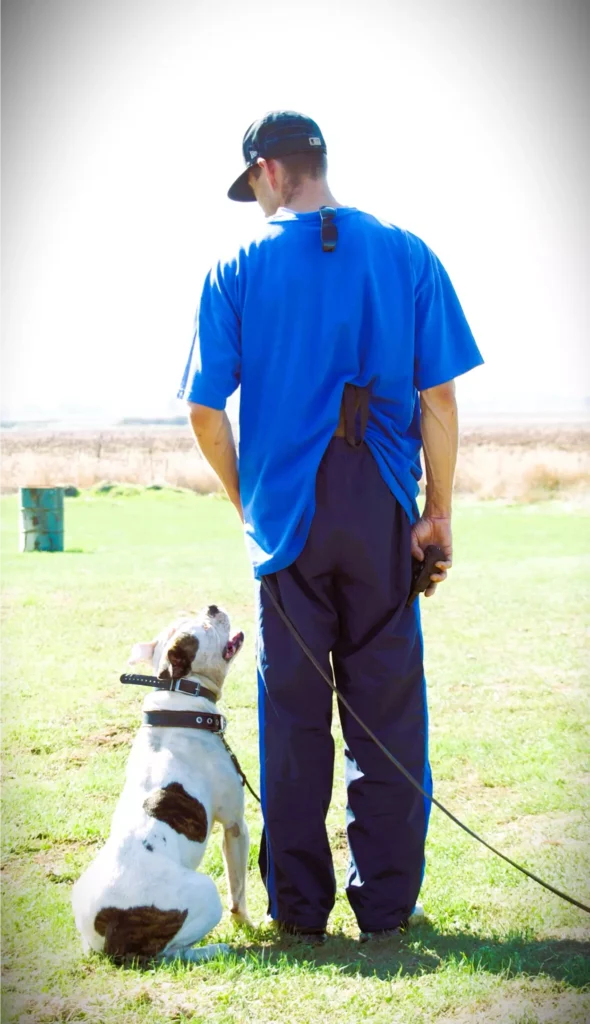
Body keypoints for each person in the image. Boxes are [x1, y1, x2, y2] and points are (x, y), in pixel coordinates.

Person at [178, 110, 483, 944]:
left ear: (270, 172)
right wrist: (438, 513)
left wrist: (251, 506)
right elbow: (441, 398)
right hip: (384, 509)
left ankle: (299, 912)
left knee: (295, 718)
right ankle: (387, 907)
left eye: (253, 188)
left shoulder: (235, 265)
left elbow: (207, 414)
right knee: (388, 714)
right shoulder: (407, 252)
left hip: (289, 522)